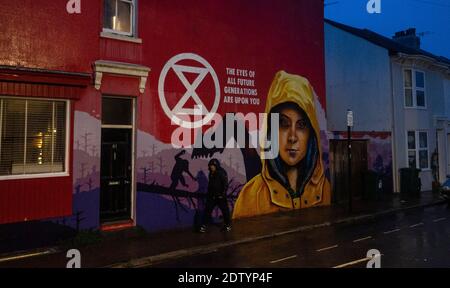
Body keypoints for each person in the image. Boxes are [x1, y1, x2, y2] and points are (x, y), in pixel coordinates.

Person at [232, 71, 331, 219]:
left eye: (301, 125)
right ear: (270, 130)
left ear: (311, 133)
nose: (292, 137)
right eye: (283, 124)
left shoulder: (323, 188)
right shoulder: (251, 195)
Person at [199, 159, 231, 232]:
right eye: (210, 166)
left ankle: (228, 226)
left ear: (216, 166)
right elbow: (210, 185)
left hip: (220, 197)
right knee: (207, 210)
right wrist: (209, 194)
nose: (211, 167)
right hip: (212, 196)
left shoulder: (221, 173)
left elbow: (225, 184)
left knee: (225, 211)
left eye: (212, 166)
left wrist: (222, 194)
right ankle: (203, 226)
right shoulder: (211, 173)